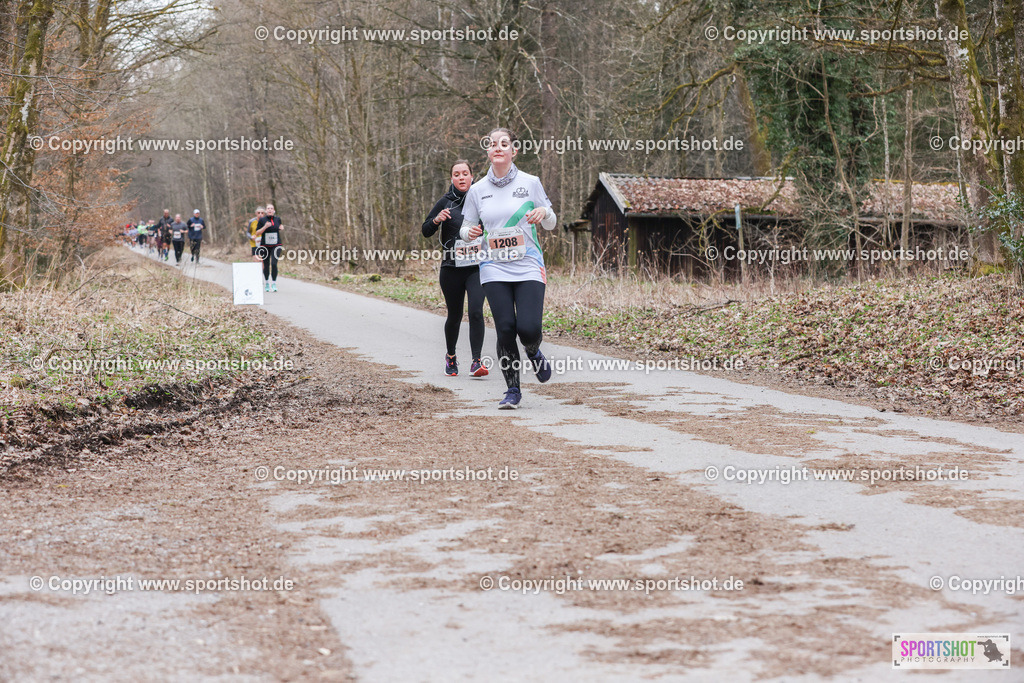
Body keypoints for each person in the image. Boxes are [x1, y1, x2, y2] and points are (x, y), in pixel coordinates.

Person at [460, 127, 557, 409]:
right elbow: (465, 228)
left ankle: (533, 350)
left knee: (528, 328)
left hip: (528, 264)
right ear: (488, 151)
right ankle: (512, 390)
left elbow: (551, 221)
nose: (498, 147)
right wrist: (470, 233)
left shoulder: (531, 182)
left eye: (504, 143)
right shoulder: (477, 190)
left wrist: (544, 212)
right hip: (493, 267)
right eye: (493, 144)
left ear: (514, 151)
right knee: (504, 328)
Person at [422, 160, 487, 378]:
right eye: (456, 174)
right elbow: (425, 230)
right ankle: (451, 357)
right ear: (452, 178)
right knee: (455, 315)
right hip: (451, 268)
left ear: (472, 177)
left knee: (476, 312)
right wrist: (437, 220)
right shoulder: (445, 201)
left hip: (476, 267)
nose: (461, 177)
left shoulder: (482, 199)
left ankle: (476, 362)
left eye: (465, 173)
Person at [255, 203, 282, 291]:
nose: (270, 210)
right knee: (266, 265)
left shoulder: (278, 219)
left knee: (274, 264)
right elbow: (257, 233)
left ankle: (273, 283)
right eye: (268, 208)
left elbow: (278, 227)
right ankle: (267, 282)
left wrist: (281, 228)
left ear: (274, 210)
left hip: (276, 245)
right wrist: (265, 227)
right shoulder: (262, 220)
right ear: (266, 211)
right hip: (265, 246)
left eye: (271, 208)